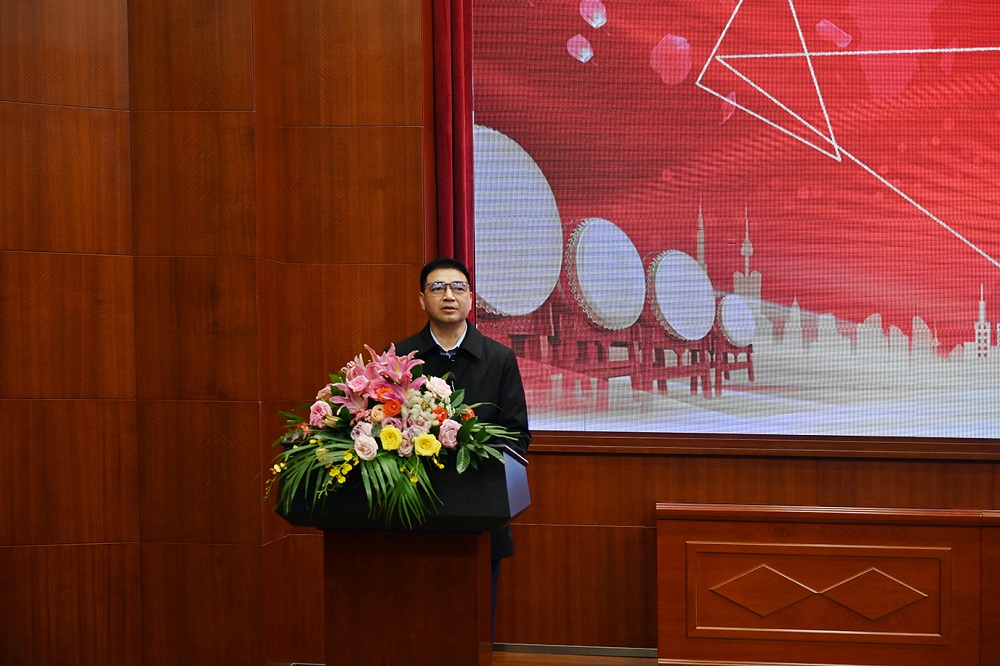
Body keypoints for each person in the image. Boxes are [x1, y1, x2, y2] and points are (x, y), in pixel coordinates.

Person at [393, 257, 531, 639]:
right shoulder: (401, 358)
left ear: (470, 297)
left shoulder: (499, 358)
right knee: (416, 621)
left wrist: (470, 451)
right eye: (437, 288)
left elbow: (517, 436)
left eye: (458, 287)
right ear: (422, 299)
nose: (448, 296)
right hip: (416, 509)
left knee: (474, 627)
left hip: (480, 509)